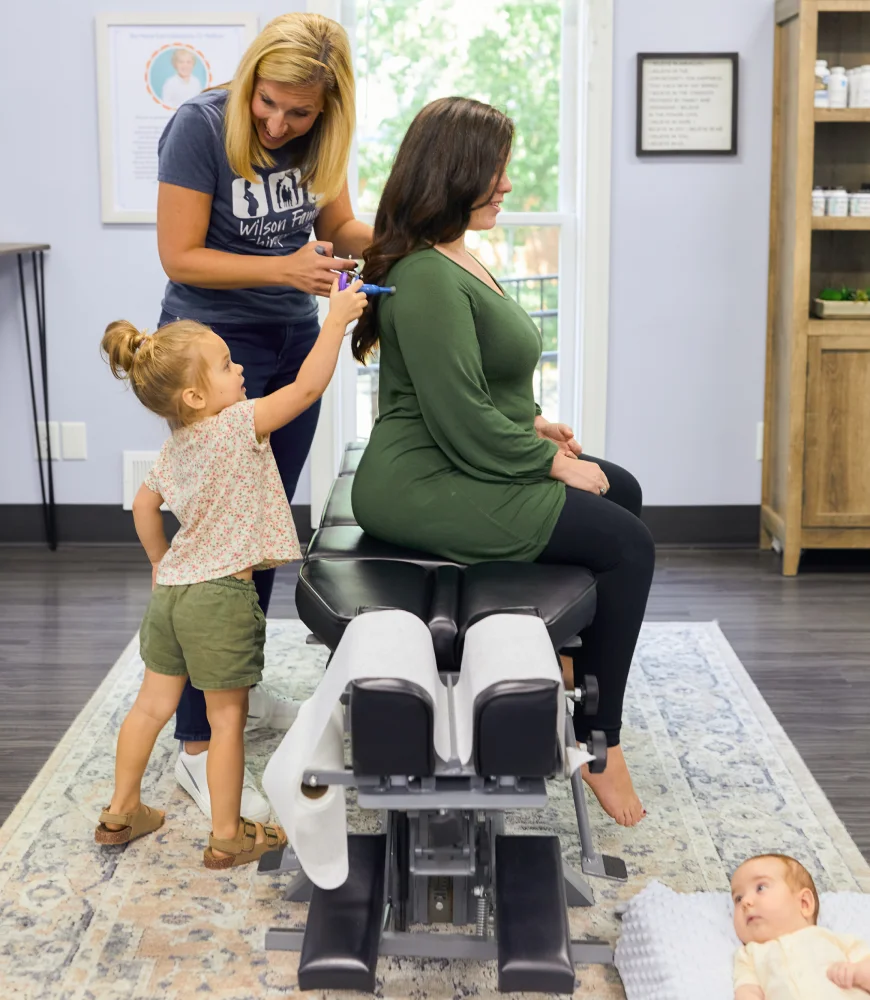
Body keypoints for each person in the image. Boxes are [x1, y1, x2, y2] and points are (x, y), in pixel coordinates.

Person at [350, 97, 654, 828]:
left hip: (461, 452)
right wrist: (547, 466)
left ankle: (566, 671)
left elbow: (476, 386)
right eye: (497, 170)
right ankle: (597, 740)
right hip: (420, 479)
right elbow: (455, 416)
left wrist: (535, 426)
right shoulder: (424, 276)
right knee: (626, 545)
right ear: (453, 172)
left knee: (625, 489)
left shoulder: (456, 256)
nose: (508, 184)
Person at [155, 12, 371, 823]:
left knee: (265, 529)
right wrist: (283, 267)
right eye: (270, 105)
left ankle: (229, 696)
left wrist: (410, 237)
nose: (279, 124)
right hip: (214, 348)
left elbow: (339, 227)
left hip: (289, 333)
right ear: (250, 83)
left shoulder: (323, 136)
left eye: (300, 113)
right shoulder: (198, 126)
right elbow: (179, 255)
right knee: (217, 543)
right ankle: (197, 744)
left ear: (329, 107)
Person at [94, 278, 367, 867]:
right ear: (195, 396)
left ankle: (120, 809)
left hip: (172, 595)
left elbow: (144, 507)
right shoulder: (240, 423)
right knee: (226, 720)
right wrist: (336, 319)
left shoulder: (174, 448)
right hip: (220, 599)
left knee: (149, 707)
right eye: (224, 364)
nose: (238, 366)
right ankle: (226, 834)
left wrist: (159, 564)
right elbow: (309, 386)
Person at [731, 854, 870, 997]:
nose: (745, 902)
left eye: (760, 887)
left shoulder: (833, 939)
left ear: (804, 903)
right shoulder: (749, 955)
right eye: (738, 898)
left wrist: (857, 973)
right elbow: (747, 992)